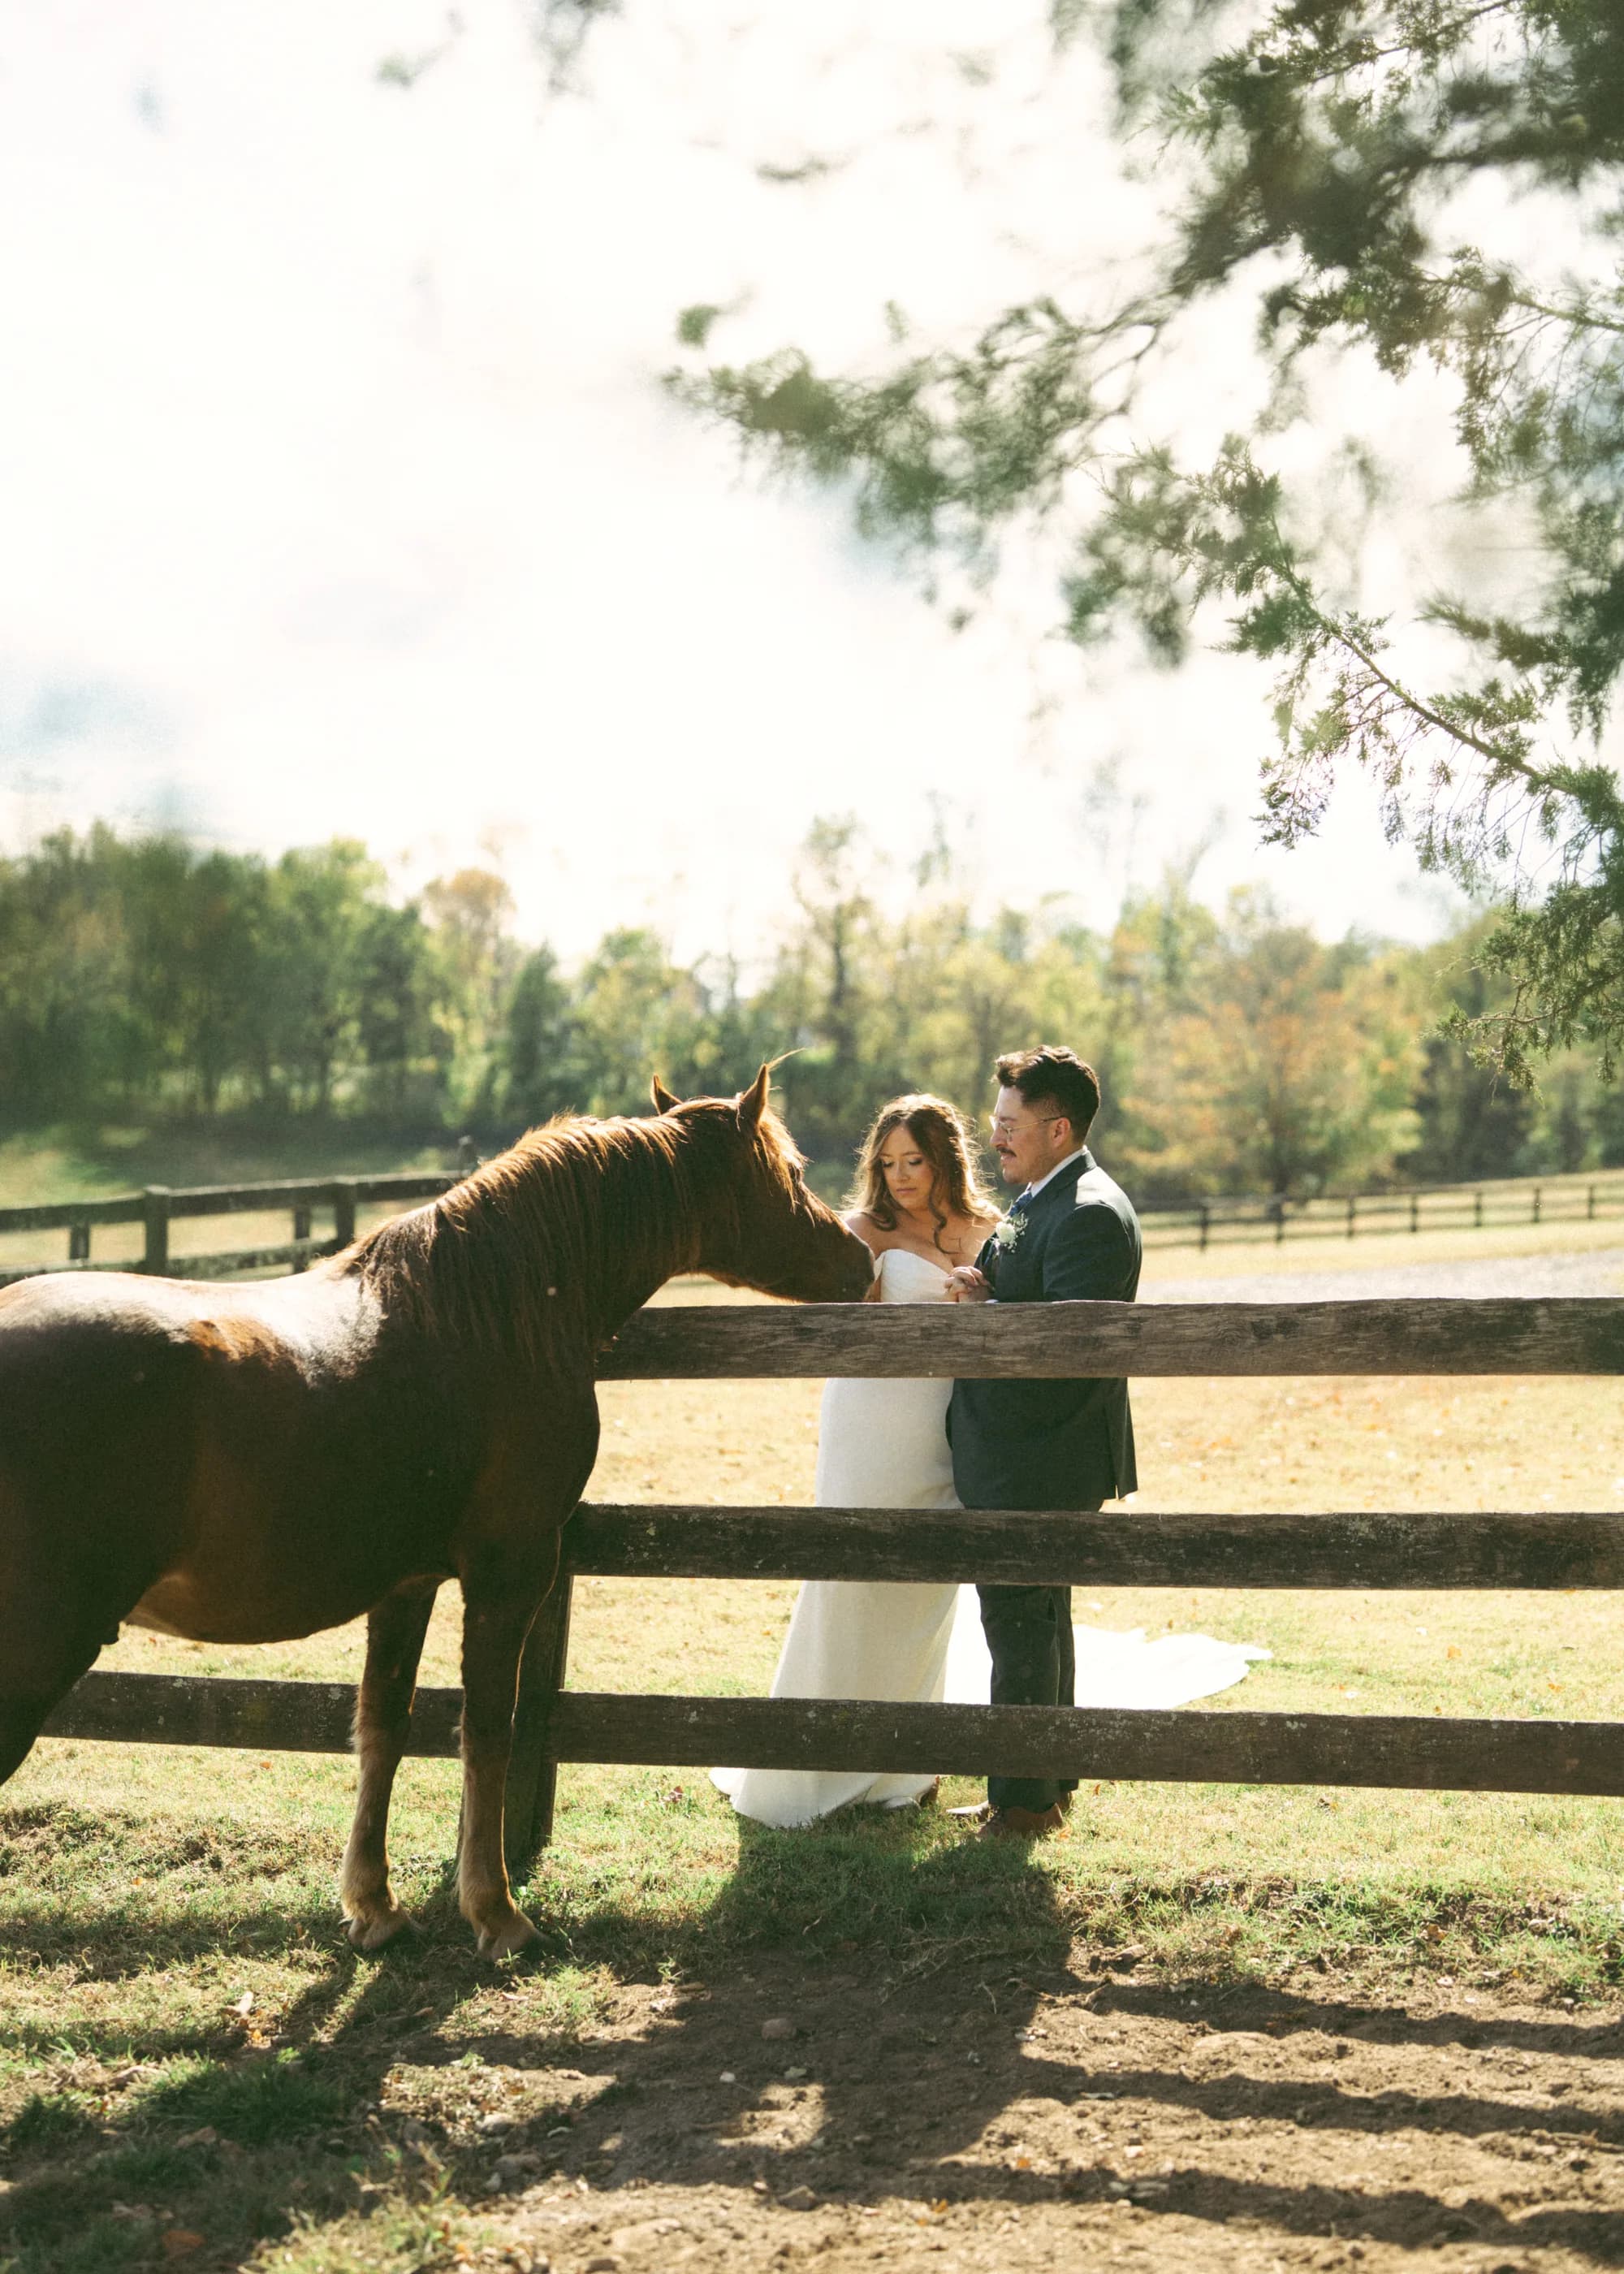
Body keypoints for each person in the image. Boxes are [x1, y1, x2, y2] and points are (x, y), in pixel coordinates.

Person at [711, 1094, 997, 1828]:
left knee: (927, 1585)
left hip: (950, 1427)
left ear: (945, 1161)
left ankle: (904, 1760)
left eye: (915, 1162)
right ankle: (819, 1757)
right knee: (853, 1574)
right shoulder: (860, 1230)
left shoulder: (991, 1230)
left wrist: (981, 1307)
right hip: (871, 1419)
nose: (900, 1177)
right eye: (889, 1163)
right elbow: (837, 1328)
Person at [945, 1044, 1141, 1840]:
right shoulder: (1040, 1197)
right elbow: (1023, 1296)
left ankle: (1023, 1806)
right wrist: (983, 1288)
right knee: (1035, 1619)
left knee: (1020, 1627)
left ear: (1057, 1129)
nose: (995, 1139)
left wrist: (984, 1317)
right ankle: (1038, 1783)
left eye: (1008, 1125)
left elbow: (1065, 1348)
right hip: (1019, 1450)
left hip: (1040, 1452)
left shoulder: (1088, 1209)